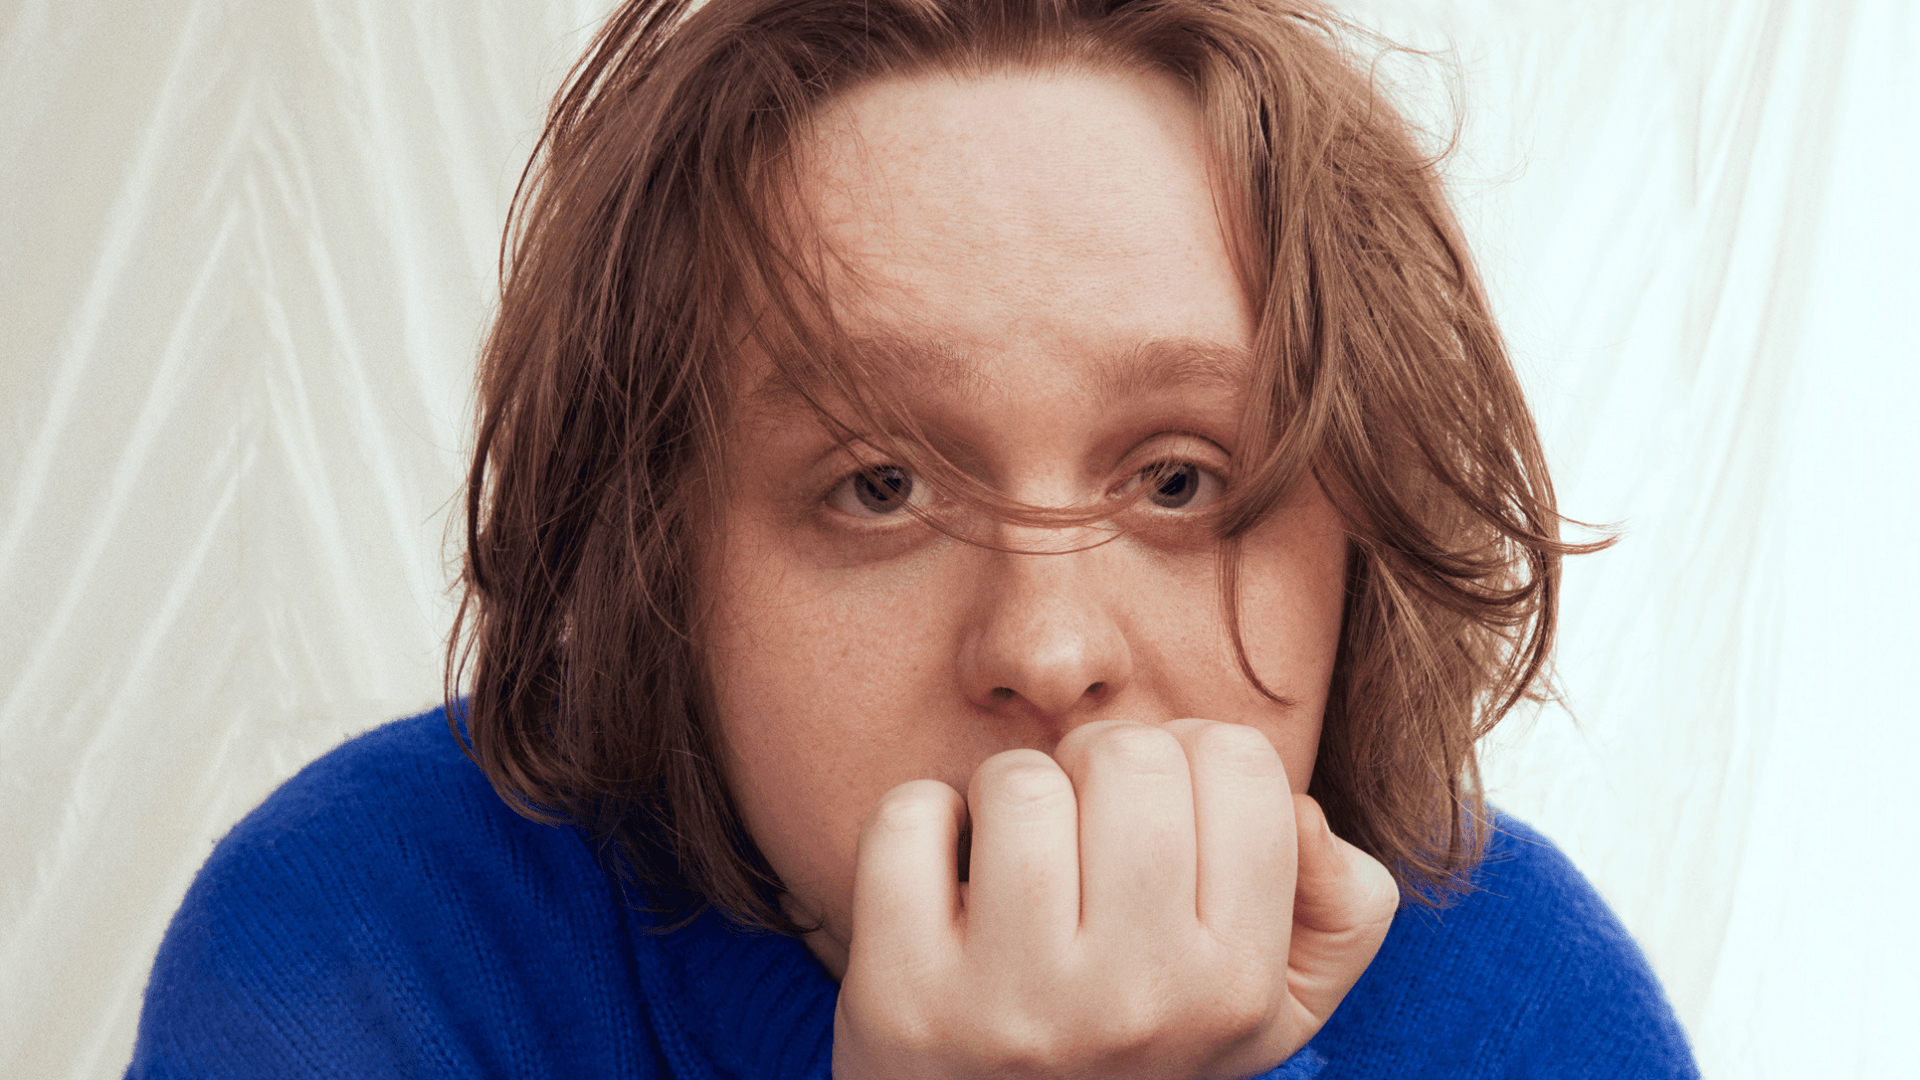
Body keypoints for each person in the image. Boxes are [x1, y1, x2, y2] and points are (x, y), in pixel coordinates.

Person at [126, 0, 1698, 1076]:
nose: (1048, 651)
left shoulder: (1519, 1004)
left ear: (1357, 541)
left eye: (1177, 482)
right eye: (879, 486)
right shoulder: (368, 944)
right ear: (659, 560)